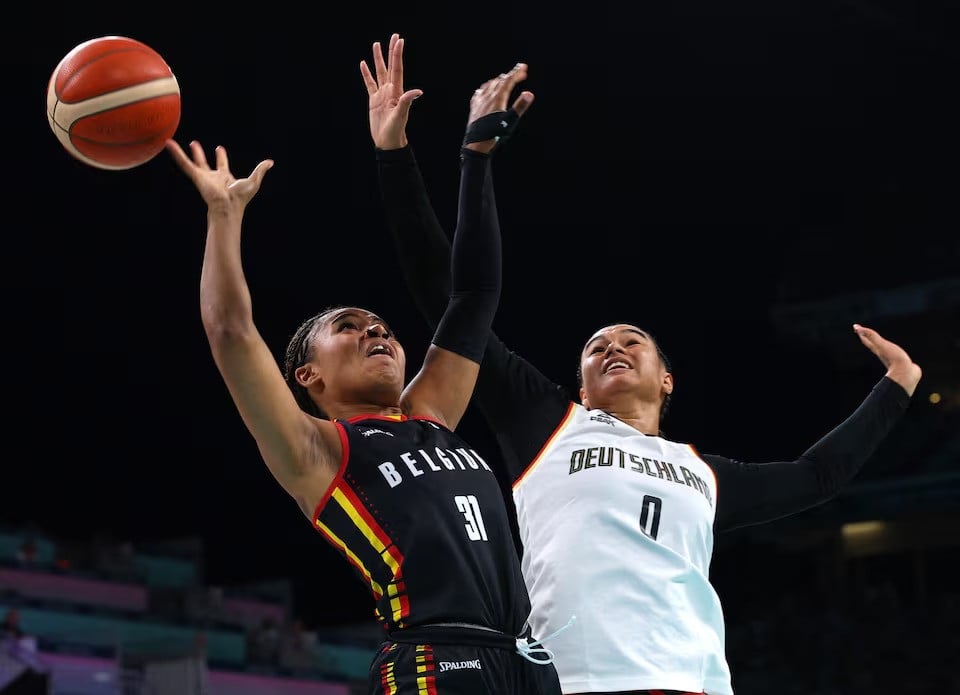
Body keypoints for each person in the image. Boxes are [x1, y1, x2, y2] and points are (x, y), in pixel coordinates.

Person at [366, 35, 924, 695]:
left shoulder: (704, 475)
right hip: (580, 683)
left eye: (631, 340)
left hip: (697, 684)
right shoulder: (549, 424)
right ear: (581, 384)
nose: (612, 347)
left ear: (666, 378)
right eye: (597, 346)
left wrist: (899, 386)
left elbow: (818, 473)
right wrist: (418, 158)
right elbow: (450, 299)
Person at [164, 35, 560, 695]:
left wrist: (471, 158)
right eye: (346, 328)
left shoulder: (429, 412)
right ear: (306, 377)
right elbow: (231, 331)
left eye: (377, 323)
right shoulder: (316, 449)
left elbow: (473, 296)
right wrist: (224, 218)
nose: (373, 328)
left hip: (526, 659)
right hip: (434, 660)